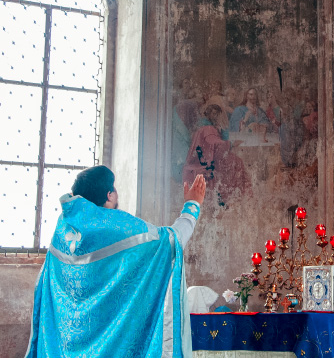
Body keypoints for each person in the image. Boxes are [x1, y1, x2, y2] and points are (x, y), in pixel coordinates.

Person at [26, 166, 207, 357]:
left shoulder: (62, 233)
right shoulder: (119, 228)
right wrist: (192, 204)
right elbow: (171, 241)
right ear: (109, 194)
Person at [183, 104, 250, 201]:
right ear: (208, 114)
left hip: (211, 156)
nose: (216, 116)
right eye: (214, 114)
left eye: (217, 114)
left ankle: (231, 197)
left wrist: (222, 132)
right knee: (235, 163)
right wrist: (230, 144)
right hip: (204, 160)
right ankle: (228, 198)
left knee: (237, 161)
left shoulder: (212, 127)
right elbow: (213, 142)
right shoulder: (207, 127)